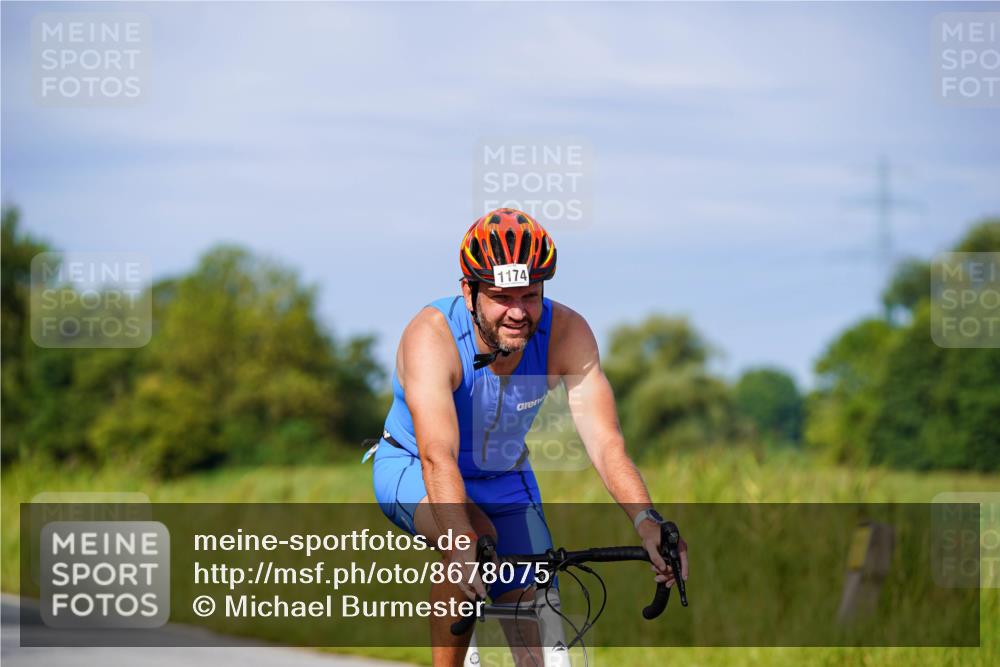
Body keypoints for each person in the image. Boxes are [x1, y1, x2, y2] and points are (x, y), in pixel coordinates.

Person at [367, 208, 688, 667]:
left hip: (505, 477)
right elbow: (439, 455)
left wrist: (647, 521)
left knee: (536, 605)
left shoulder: (567, 332)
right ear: (469, 291)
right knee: (474, 536)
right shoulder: (431, 336)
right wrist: (459, 542)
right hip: (415, 467)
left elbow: (605, 443)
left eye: (531, 295)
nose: (518, 312)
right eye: (501, 297)